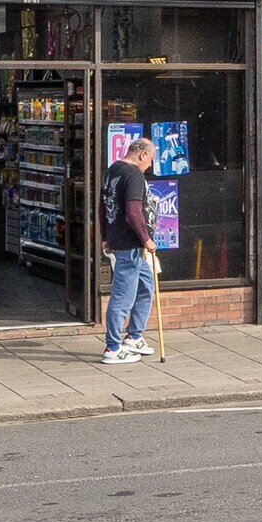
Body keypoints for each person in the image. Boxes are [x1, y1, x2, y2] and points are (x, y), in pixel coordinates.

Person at [100, 136, 159, 363]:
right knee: (122, 297)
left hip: (120, 241)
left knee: (146, 286)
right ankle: (112, 348)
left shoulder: (111, 170)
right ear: (142, 154)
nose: (150, 165)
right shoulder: (133, 175)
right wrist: (146, 240)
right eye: (150, 159)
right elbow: (133, 211)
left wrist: (105, 236)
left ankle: (134, 336)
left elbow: (102, 207)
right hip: (130, 244)